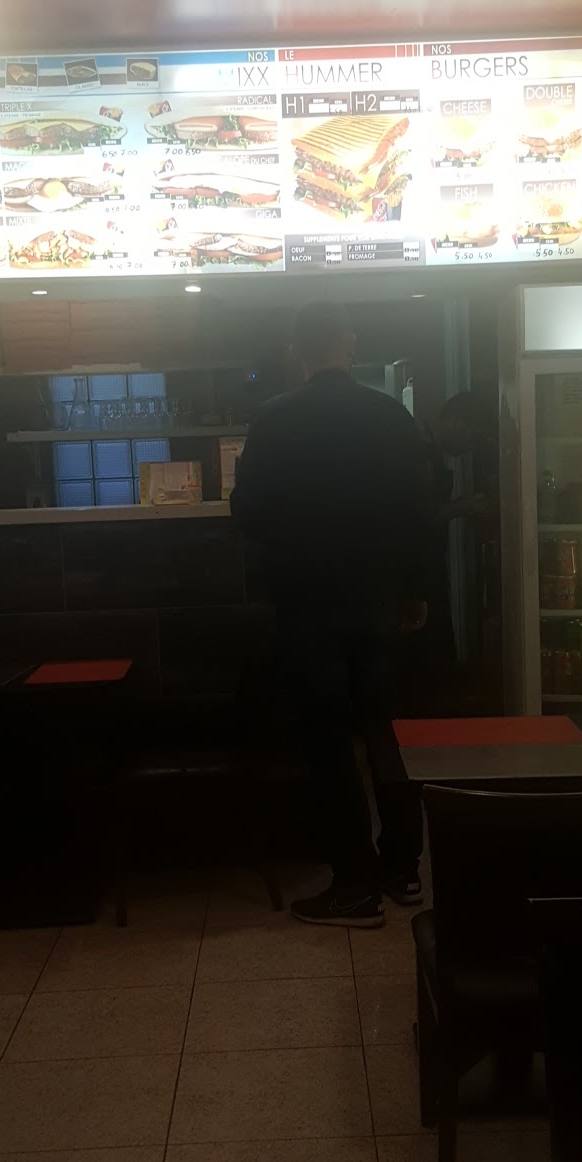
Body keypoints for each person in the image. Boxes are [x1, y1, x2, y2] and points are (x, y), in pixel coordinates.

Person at [231, 302, 428, 928]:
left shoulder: (274, 418)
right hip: (381, 600)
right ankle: (404, 868)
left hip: (307, 602)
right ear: (350, 343)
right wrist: (416, 590)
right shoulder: (391, 415)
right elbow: (419, 510)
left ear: (296, 350)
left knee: (328, 741)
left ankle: (354, 886)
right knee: (386, 735)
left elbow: (248, 514)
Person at [416, 392, 497, 702]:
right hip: (418, 569)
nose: (469, 449)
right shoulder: (420, 451)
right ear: (459, 423)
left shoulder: (427, 449)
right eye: (472, 439)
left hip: (428, 564)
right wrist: (469, 506)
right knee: (430, 654)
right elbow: (421, 513)